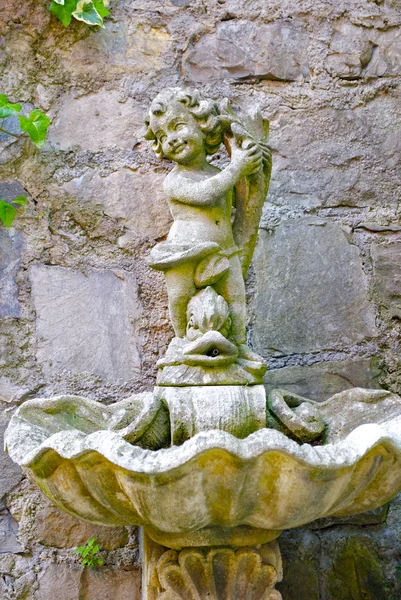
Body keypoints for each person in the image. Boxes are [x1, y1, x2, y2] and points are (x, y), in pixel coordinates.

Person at [145, 88, 266, 361]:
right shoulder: (175, 180)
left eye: (178, 127)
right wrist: (237, 167)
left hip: (223, 248)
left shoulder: (217, 173)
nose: (172, 140)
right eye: (163, 137)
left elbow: (242, 204)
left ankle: (239, 346)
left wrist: (254, 168)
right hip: (185, 252)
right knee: (179, 296)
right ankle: (179, 342)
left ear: (203, 127)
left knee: (236, 297)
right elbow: (206, 194)